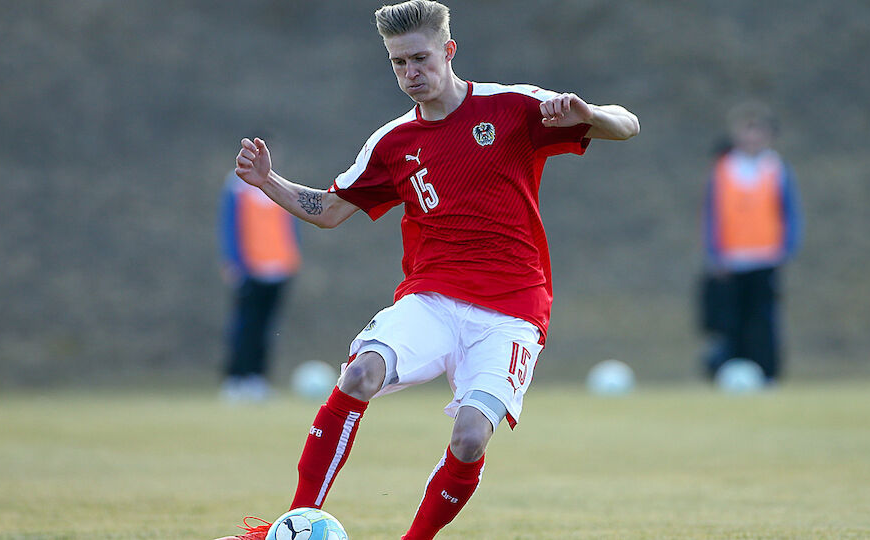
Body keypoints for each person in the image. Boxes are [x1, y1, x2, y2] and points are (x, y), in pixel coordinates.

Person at [216, 1, 638, 538]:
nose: (411, 74)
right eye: (398, 64)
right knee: (360, 373)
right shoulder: (394, 142)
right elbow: (331, 210)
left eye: (420, 59)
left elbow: (628, 125)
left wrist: (588, 115)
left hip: (512, 311)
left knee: (468, 438)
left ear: (448, 51)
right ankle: (293, 524)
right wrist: (270, 183)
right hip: (432, 298)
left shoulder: (513, 107)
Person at [699, 101, 801, 383]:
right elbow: (712, 214)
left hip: (765, 257)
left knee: (764, 321)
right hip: (731, 260)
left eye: (758, 131)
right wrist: (714, 254)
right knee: (729, 322)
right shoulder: (723, 168)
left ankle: (767, 374)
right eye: (747, 130)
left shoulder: (776, 168)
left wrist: (787, 249)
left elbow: (790, 212)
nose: (752, 137)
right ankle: (728, 374)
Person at [218, 169, 301, 401]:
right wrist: (233, 261)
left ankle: (257, 378)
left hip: (279, 268)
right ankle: (235, 379)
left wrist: (292, 256)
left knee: (267, 327)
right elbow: (229, 225)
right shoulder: (237, 189)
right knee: (245, 325)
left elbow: (290, 224)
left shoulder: (280, 186)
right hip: (251, 268)